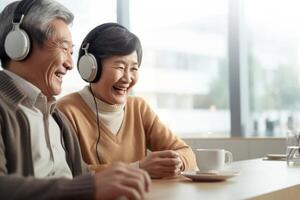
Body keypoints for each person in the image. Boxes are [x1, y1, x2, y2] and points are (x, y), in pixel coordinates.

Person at [0, 1, 150, 200]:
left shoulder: (56, 117)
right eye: (63, 49)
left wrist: (124, 177)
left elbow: (80, 176)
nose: (71, 64)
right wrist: (88, 188)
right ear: (19, 45)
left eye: (72, 52)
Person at [57, 23, 197, 179]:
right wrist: (137, 169)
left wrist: (176, 162)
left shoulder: (138, 107)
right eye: (120, 67)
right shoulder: (66, 110)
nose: (128, 78)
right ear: (91, 68)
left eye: (134, 69)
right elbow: (70, 173)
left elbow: (186, 153)